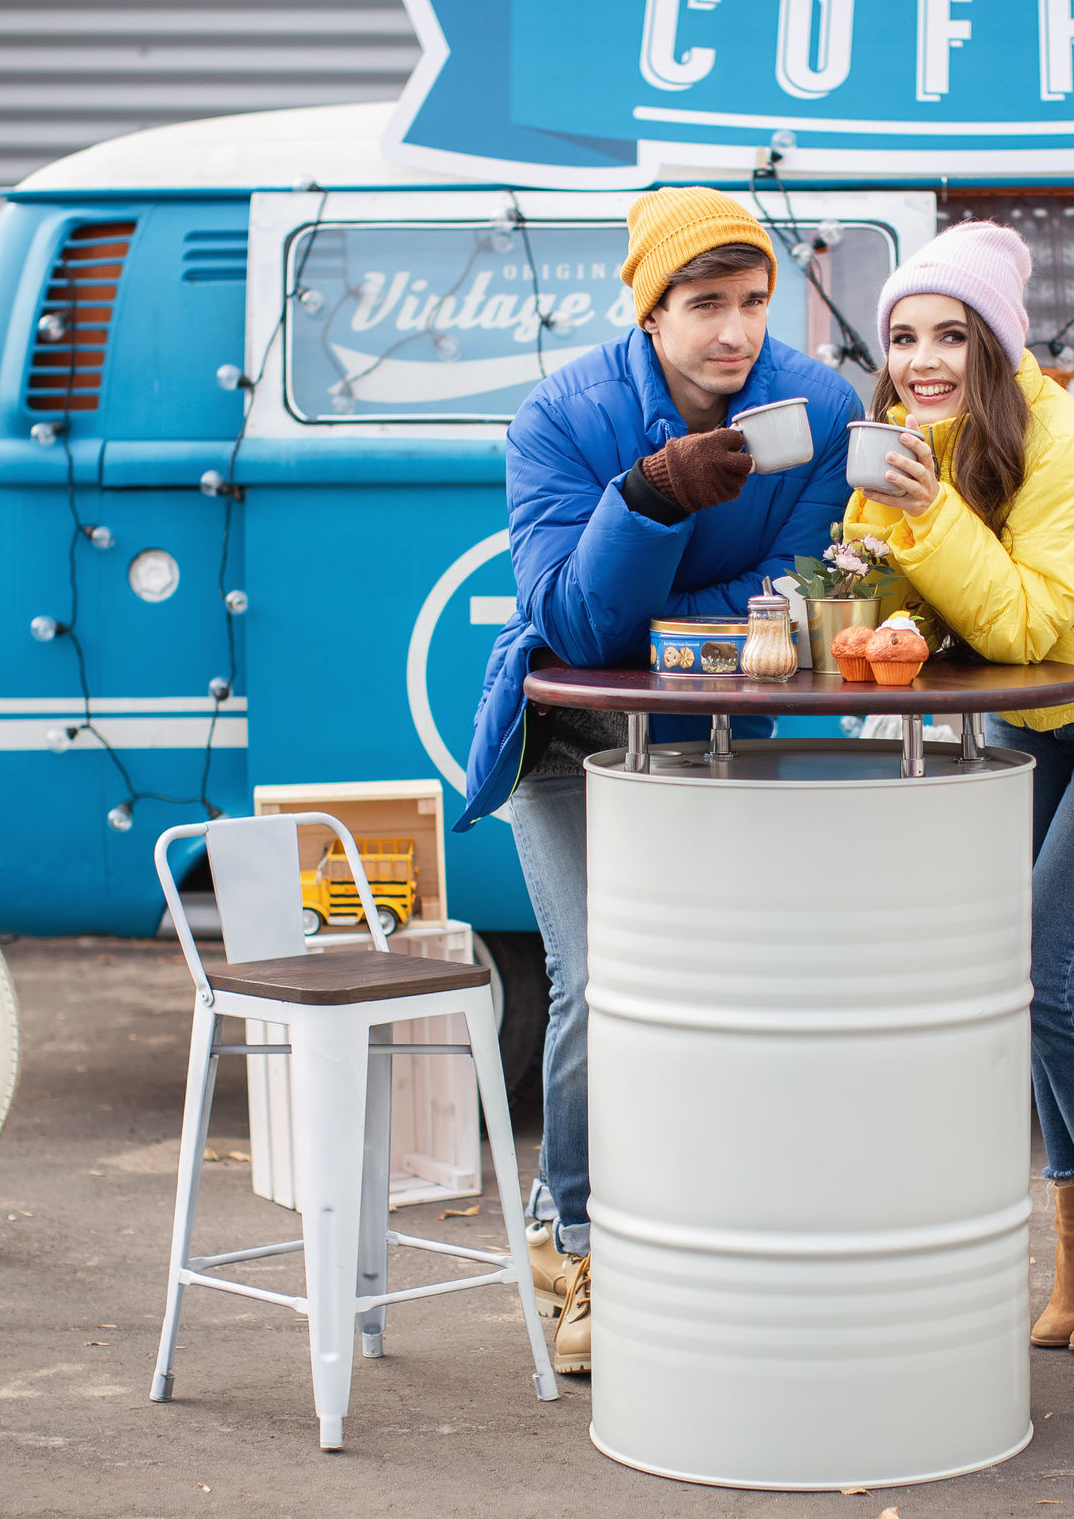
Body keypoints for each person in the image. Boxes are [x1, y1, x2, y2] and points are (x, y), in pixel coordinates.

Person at [455, 187, 856, 1374]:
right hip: (567, 744)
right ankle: (570, 1243)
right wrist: (648, 499)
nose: (733, 331)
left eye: (752, 302)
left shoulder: (821, 407)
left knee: (737, 990)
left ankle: (703, 1237)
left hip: (719, 736)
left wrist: (660, 622)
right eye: (703, 305)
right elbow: (571, 620)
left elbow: (802, 589)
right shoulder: (559, 418)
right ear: (650, 309)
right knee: (600, 985)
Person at [843, 222, 1074, 1352]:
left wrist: (921, 508)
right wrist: (848, 581)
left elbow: (1018, 619)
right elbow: (874, 587)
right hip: (1034, 712)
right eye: (904, 336)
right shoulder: (913, 440)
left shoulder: (1066, 444)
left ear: (996, 346)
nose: (923, 359)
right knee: (1040, 980)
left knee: (1042, 965)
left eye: (950, 335)